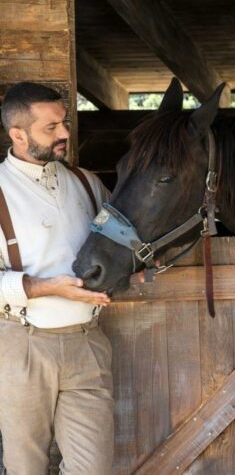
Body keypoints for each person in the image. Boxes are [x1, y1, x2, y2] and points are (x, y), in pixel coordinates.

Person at [0, 82, 114, 474]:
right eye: (51, 127)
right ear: (18, 134)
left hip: (88, 344)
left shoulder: (87, 183)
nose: (65, 133)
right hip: (22, 346)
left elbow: (124, 244)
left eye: (63, 122)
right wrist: (50, 288)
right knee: (25, 467)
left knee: (94, 469)